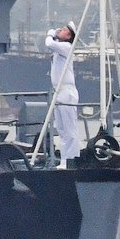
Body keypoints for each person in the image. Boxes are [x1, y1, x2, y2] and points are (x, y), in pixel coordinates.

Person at [47, 24, 84, 161]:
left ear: (68, 36)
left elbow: (49, 43)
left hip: (67, 92)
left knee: (69, 129)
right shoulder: (60, 48)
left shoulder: (67, 47)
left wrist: (51, 33)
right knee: (61, 129)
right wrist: (57, 34)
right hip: (58, 92)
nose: (60, 30)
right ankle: (64, 160)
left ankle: (72, 159)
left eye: (63, 30)